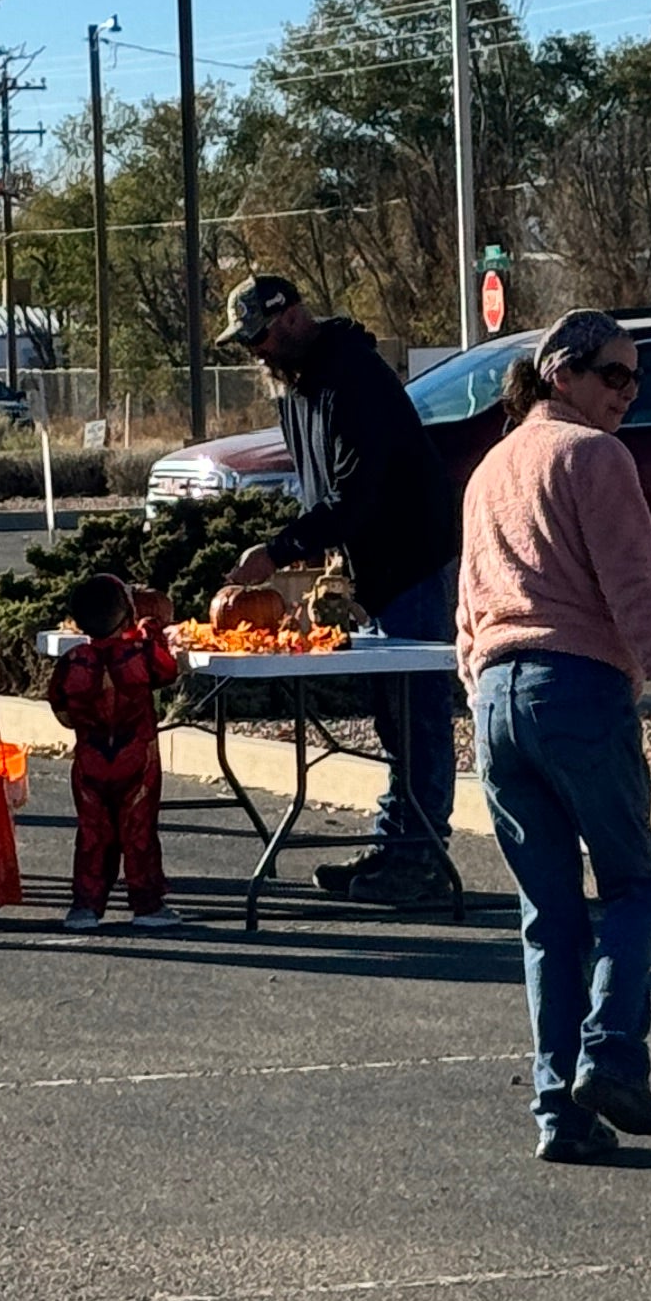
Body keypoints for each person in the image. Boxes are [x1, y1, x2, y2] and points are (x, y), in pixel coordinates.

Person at [455, 311, 651, 1164]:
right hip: (576, 688)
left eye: (635, 378)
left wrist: (479, 686)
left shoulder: (489, 469)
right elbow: (635, 590)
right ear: (561, 373)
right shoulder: (595, 457)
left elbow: (468, 607)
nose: (627, 393)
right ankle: (612, 1058)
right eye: (612, 375)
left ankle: (561, 1115)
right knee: (630, 886)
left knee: (549, 917)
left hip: (496, 701)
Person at [218, 272, 466, 908]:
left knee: (418, 713)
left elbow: (359, 493)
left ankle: (420, 861)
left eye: (262, 335)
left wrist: (279, 550)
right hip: (373, 565)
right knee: (393, 715)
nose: (257, 351)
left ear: (294, 316)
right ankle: (396, 845)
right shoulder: (299, 384)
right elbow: (327, 493)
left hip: (410, 559)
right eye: (249, 342)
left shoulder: (351, 376)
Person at [46, 573, 185, 932]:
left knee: (93, 833)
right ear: (126, 615)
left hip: (91, 759)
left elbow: (60, 708)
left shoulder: (73, 660)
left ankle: (85, 906)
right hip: (137, 758)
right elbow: (168, 671)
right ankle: (147, 904)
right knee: (138, 831)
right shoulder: (139, 654)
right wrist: (152, 633)